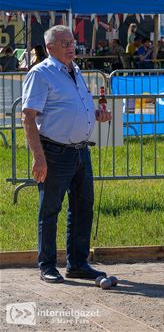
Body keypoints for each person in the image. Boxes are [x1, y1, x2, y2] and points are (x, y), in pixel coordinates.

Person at [21, 25, 112, 284]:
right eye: (65, 43)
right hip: (54, 152)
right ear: (50, 48)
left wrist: (96, 115)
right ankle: (47, 265)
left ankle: (78, 264)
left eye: (72, 42)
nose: (72, 47)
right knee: (50, 210)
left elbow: (73, 108)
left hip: (81, 151)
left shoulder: (76, 70)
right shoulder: (41, 73)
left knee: (83, 208)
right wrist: (38, 157)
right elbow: (28, 117)